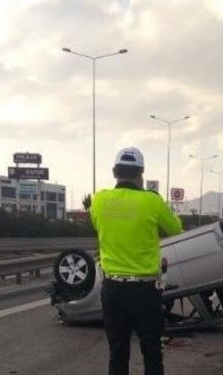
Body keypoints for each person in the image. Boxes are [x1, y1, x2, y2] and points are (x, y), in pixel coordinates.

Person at [91, 147, 183, 375]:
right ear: (140, 174)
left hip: (112, 289)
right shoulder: (151, 201)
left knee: (118, 352)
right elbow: (176, 229)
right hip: (144, 291)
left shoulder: (99, 200)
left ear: (115, 172)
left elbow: (98, 227)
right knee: (152, 351)